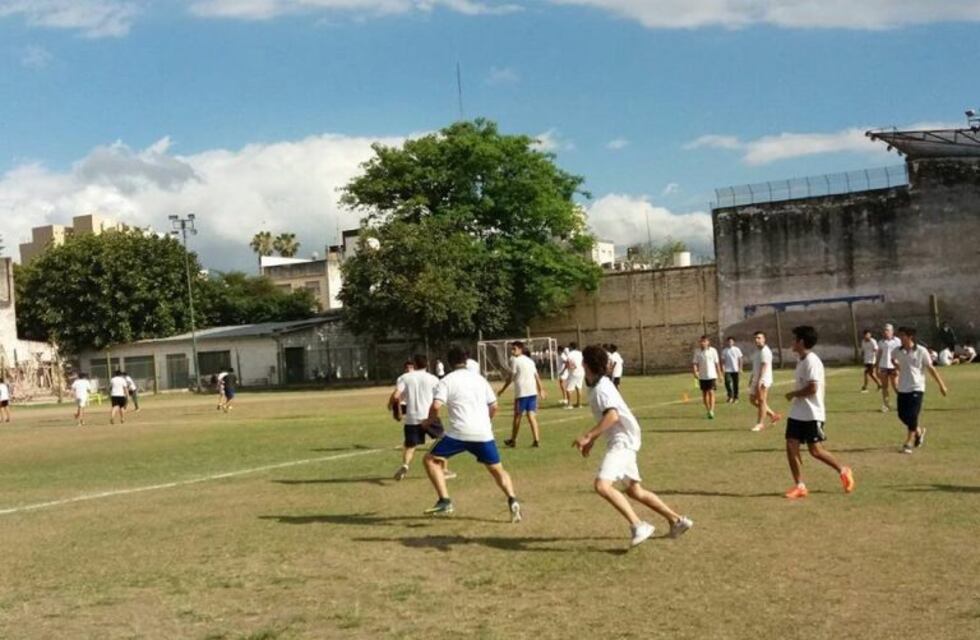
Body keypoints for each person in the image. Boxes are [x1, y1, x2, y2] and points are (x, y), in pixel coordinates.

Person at [572, 345, 693, 547]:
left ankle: (638, 525)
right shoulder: (595, 385)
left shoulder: (602, 388)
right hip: (624, 439)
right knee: (635, 491)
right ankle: (677, 520)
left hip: (623, 441)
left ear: (585, 364)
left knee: (602, 486)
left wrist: (587, 436)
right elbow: (606, 417)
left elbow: (612, 416)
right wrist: (592, 440)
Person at [421, 345, 522, 521]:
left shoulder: (447, 380)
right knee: (497, 470)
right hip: (483, 433)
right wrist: (486, 421)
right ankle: (512, 499)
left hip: (458, 433)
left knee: (430, 460)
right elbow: (494, 406)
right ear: (466, 361)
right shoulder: (480, 379)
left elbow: (436, 405)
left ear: (449, 362)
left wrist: (429, 421)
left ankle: (445, 500)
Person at [782, 326, 855, 499]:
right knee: (791, 446)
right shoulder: (801, 359)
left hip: (812, 413)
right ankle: (800, 486)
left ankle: (843, 470)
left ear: (801, 341)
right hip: (797, 413)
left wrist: (793, 394)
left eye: (794, 339)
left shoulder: (812, 361)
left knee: (815, 451)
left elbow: (813, 388)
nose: (792, 342)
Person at [391, 354, 452, 481]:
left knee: (410, 446)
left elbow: (396, 396)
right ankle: (444, 470)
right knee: (443, 439)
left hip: (411, 417)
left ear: (414, 364)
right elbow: (439, 397)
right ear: (427, 364)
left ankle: (405, 465)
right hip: (429, 416)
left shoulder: (405, 377)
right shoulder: (433, 379)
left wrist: (395, 409)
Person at [893, 326, 949, 454]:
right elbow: (893, 360)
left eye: (903, 335)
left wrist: (941, 385)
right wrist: (897, 368)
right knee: (902, 415)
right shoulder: (897, 351)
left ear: (910, 336)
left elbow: (931, 368)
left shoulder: (921, 351)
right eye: (899, 335)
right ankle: (918, 431)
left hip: (917, 387)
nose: (900, 338)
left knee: (913, 415)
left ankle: (908, 442)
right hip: (903, 387)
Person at [499, 341, 546, 448]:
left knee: (517, 416)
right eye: (512, 349)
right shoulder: (530, 361)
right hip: (532, 392)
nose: (512, 351)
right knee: (531, 416)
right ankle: (536, 440)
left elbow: (511, 378)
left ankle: (513, 440)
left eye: (514, 349)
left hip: (522, 393)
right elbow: (537, 376)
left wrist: (502, 390)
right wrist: (541, 389)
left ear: (520, 349)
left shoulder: (515, 360)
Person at [749, 331, 781, 431]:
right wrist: (752, 378)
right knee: (752, 400)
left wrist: (760, 380)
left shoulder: (765, 351)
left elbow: (764, 366)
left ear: (764, 339)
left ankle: (760, 423)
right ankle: (773, 415)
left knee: (762, 401)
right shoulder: (757, 351)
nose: (756, 340)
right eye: (755, 338)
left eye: (759, 338)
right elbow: (755, 367)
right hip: (756, 378)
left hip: (763, 379)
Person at [693, 335, 723, 419]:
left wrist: (720, 374)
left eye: (704, 341)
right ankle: (708, 410)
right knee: (704, 393)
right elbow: (695, 363)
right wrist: (695, 371)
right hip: (702, 376)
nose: (702, 343)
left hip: (712, 375)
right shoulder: (697, 351)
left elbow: (717, 363)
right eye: (701, 341)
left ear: (708, 342)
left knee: (711, 392)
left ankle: (712, 410)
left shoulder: (713, 351)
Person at [876, 323, 901, 412]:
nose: (885, 332)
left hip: (893, 366)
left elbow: (900, 353)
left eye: (887, 330)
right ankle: (886, 405)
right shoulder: (881, 342)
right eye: (884, 330)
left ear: (892, 331)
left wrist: (898, 367)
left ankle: (903, 403)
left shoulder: (897, 341)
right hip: (883, 366)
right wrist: (877, 367)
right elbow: (879, 354)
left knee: (896, 386)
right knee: (884, 387)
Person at [721, 336, 743, 404]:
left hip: (735, 370)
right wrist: (723, 368)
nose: (730, 342)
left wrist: (740, 368)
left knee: (735, 384)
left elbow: (740, 359)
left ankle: (736, 398)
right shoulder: (725, 350)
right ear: (727, 342)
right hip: (727, 370)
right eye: (728, 341)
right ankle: (730, 396)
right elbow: (723, 361)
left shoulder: (737, 349)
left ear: (733, 342)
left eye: (731, 341)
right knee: (727, 382)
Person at [564, 342, 585, 409]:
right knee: (579, 387)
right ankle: (579, 404)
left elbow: (569, 364)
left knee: (568, 389)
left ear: (571, 347)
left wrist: (568, 368)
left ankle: (569, 405)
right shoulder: (580, 353)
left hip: (573, 372)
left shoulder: (570, 354)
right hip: (581, 372)